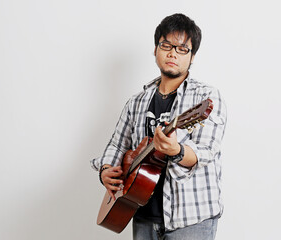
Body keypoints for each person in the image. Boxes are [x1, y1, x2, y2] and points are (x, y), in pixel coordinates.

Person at [91, 13, 227, 240]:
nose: (173, 53)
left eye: (182, 48)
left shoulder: (206, 97)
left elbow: (207, 150)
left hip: (190, 218)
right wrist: (106, 170)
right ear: (155, 50)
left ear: (192, 57)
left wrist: (178, 151)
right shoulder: (137, 102)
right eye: (167, 45)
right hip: (141, 211)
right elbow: (117, 144)